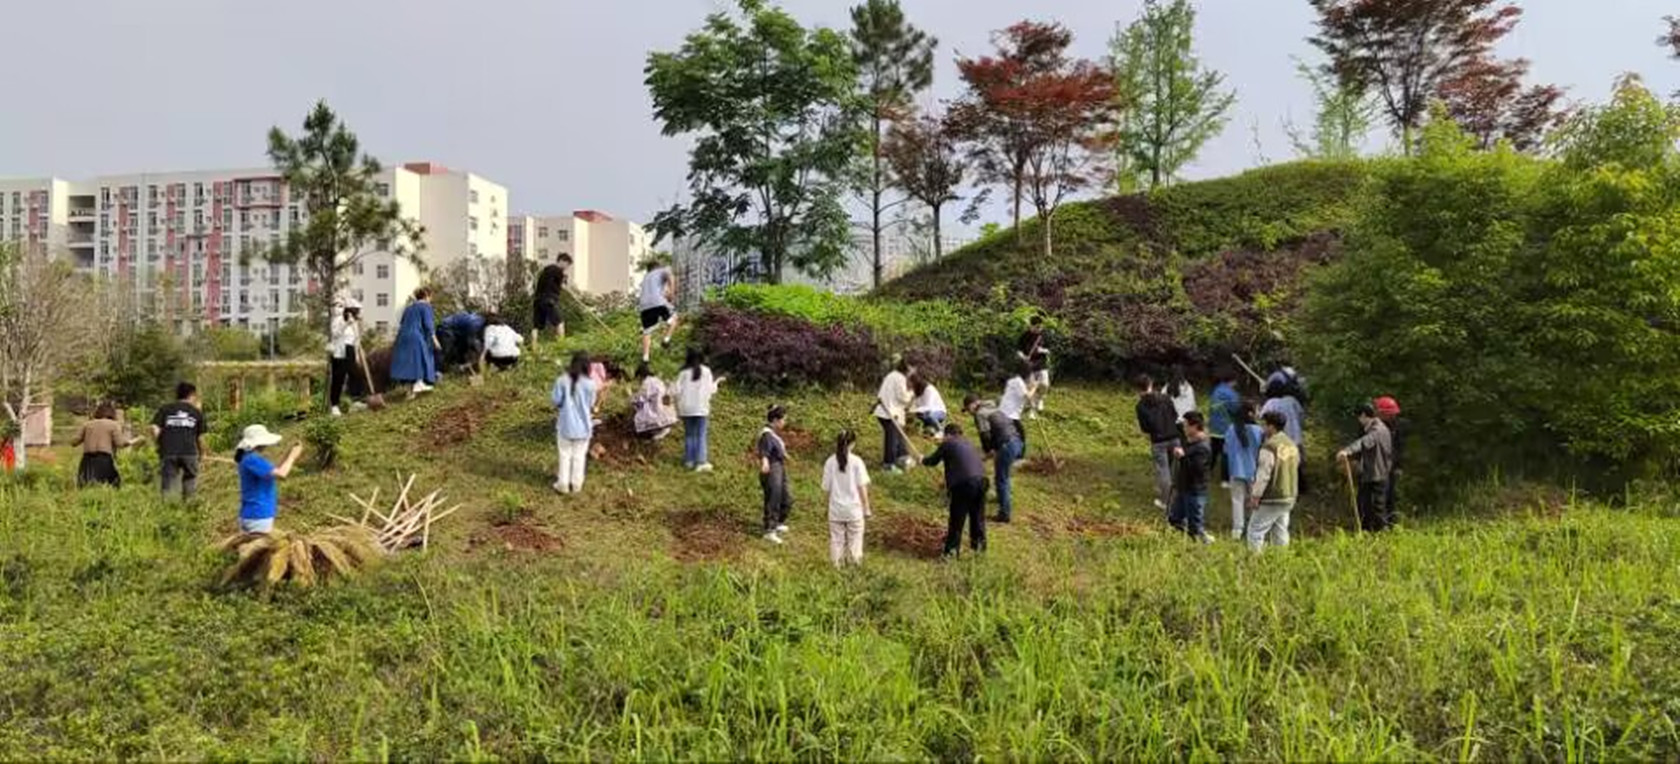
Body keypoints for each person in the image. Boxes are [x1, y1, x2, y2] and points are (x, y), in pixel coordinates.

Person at [923, 423, 988, 557]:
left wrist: (922, 459)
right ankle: (979, 547)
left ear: (947, 434)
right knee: (977, 516)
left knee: (957, 519)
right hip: (982, 481)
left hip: (964, 484)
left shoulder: (948, 443)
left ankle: (951, 552)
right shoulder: (969, 443)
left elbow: (932, 461)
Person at [1246, 410, 1300, 553]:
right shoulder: (1292, 445)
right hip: (1289, 494)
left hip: (1272, 495)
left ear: (1271, 426)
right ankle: (1281, 560)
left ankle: (1254, 561)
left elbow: (1264, 473)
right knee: (1280, 531)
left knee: (1255, 530)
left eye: (1264, 425)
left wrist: (1255, 495)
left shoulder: (1270, 446)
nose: (1262, 428)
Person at [234, 424, 303, 534]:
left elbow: (274, 470)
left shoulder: (248, 458)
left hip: (252, 514)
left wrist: (288, 453)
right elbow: (282, 474)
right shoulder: (253, 460)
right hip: (259, 515)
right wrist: (292, 457)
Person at [1338, 402, 1395, 532]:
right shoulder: (1378, 427)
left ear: (1364, 415)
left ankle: (1380, 533)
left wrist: (1347, 451)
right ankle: (1367, 530)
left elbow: (1365, 442)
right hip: (1373, 474)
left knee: (1377, 508)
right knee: (1364, 505)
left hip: (1377, 475)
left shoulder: (1377, 430)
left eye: (1359, 417)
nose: (1359, 421)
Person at [965, 394, 1023, 523]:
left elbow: (985, 435)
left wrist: (987, 452)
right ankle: (1002, 497)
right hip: (1017, 441)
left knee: (1001, 479)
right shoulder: (994, 407)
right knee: (1003, 475)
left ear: (973, 404)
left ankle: (1004, 514)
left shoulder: (979, 414)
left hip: (1006, 445)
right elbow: (1003, 428)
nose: (969, 412)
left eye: (968, 409)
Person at [821, 429, 872, 566]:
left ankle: (836, 565)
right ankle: (854, 565)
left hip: (836, 509)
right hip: (854, 509)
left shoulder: (830, 462)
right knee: (855, 539)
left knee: (836, 540)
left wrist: (827, 507)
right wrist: (866, 507)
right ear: (853, 443)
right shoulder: (857, 462)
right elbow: (862, 487)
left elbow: (827, 488)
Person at [551, 352, 599, 495]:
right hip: (583, 428)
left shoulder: (561, 380)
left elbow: (555, 400)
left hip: (565, 426)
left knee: (564, 455)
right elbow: (591, 404)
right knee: (579, 456)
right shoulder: (590, 384)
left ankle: (563, 484)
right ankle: (576, 484)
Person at [152, 382, 208, 501]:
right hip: (189, 451)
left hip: (168, 451)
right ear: (192, 395)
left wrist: (160, 442)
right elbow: (200, 437)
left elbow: (154, 428)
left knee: (168, 481)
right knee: (190, 479)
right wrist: (203, 454)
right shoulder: (196, 412)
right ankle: (189, 504)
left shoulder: (165, 409)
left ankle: (168, 507)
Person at [672, 349, 723, 472]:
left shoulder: (683, 372)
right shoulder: (706, 371)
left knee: (689, 434)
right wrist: (717, 382)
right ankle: (701, 462)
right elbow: (711, 390)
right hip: (701, 408)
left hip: (686, 408)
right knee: (701, 434)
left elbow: (676, 390)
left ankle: (689, 460)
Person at [1135, 375, 1180, 511]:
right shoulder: (1165, 398)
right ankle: (1179, 498)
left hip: (1158, 440)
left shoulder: (1140, 406)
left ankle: (1166, 501)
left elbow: (1145, 428)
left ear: (1137, 389)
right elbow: (1175, 415)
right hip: (1174, 436)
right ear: (1151, 384)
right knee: (1175, 469)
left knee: (1163, 470)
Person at [1169, 411, 1215, 543]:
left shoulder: (1202, 447)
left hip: (1195, 489)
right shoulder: (1190, 441)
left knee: (1195, 524)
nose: (1184, 428)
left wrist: (1182, 457)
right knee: (1174, 519)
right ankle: (1188, 538)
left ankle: (1203, 541)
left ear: (1194, 427)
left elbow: (1198, 470)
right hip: (1184, 486)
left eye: (1186, 425)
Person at [1223, 400, 1264, 540]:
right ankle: (1253, 527)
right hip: (1254, 471)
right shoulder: (1259, 431)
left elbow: (1226, 450)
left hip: (1236, 469)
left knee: (1237, 500)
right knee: (1254, 500)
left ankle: (1237, 530)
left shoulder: (1231, 429)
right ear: (1251, 413)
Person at [390, 288, 441, 397]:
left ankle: (410, 393)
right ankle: (419, 383)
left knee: (409, 363)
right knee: (420, 359)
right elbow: (428, 325)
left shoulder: (409, 308)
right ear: (426, 296)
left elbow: (402, 322)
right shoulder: (425, 307)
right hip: (415, 335)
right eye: (430, 297)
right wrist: (435, 340)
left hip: (402, 336)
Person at [74, 402, 138, 487]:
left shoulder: (87, 424)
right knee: (112, 484)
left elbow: (74, 442)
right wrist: (134, 441)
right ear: (112, 413)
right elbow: (120, 443)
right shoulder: (113, 425)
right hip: (103, 460)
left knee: (86, 485)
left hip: (87, 460)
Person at [1261, 379, 1308, 494]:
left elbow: (1263, 417)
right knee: (1296, 463)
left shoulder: (1271, 403)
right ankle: (1300, 487)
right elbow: (1301, 415)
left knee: (1280, 464)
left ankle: (1280, 486)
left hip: (1280, 438)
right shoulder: (1292, 401)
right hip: (1295, 437)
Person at [872, 358, 916, 473]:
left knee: (898, 435)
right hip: (888, 413)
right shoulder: (900, 378)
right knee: (892, 439)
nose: (914, 371)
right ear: (908, 368)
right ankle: (888, 465)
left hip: (886, 411)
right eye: (913, 368)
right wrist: (912, 393)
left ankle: (902, 457)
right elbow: (903, 398)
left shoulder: (892, 375)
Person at [758, 405, 793, 545]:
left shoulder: (773, 434)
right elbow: (764, 451)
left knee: (786, 497)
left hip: (780, 468)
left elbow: (777, 449)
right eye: (783, 419)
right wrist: (765, 463)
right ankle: (769, 530)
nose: (784, 422)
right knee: (773, 498)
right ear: (775, 420)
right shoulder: (766, 434)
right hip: (772, 469)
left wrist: (785, 456)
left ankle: (778, 522)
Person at [327, 299, 366, 417]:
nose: (337, 308)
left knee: (355, 374)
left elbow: (356, 338)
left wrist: (357, 354)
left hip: (350, 349)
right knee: (338, 377)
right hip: (339, 351)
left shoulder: (353, 321)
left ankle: (356, 400)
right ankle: (334, 405)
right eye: (335, 305)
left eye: (340, 305)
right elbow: (335, 334)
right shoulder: (337, 320)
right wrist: (346, 324)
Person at [638, 260, 680, 362]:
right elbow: (671, 276)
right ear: (657, 267)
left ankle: (645, 358)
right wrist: (671, 293)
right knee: (674, 318)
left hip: (644, 306)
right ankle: (666, 340)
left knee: (647, 331)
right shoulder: (661, 270)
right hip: (658, 302)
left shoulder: (646, 277)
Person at [1374, 396, 1410, 516]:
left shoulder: (1395, 426)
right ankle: (1374, 523)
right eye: (1389, 414)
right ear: (1380, 413)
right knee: (1375, 497)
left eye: (1393, 414)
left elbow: (1399, 447)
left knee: (1391, 496)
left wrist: (1399, 466)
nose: (1392, 416)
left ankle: (1390, 522)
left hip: (1390, 467)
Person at [1208, 370, 1241, 485]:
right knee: (1226, 454)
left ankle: (1206, 473)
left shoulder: (1216, 390)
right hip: (1226, 428)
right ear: (1233, 381)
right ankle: (1225, 480)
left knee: (1213, 452)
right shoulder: (1231, 394)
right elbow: (1236, 410)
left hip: (1214, 428)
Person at [997, 361, 1038, 452]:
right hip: (1009, 414)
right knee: (1020, 435)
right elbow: (1027, 396)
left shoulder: (1014, 381)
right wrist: (1034, 387)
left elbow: (1022, 398)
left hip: (1006, 412)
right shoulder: (1018, 382)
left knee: (1015, 435)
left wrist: (1031, 402)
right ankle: (1018, 455)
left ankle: (1015, 453)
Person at [532, 252, 572, 346]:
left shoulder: (545, 271)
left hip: (538, 300)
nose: (567, 267)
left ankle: (534, 347)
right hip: (549, 300)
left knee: (536, 326)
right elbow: (562, 285)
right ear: (562, 261)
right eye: (567, 264)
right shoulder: (558, 271)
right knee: (560, 323)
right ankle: (562, 346)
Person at [631, 362, 678, 440]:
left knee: (640, 413)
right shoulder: (657, 380)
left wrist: (632, 399)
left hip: (657, 410)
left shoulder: (647, 383)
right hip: (666, 410)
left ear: (641, 375)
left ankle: (656, 430)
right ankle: (661, 428)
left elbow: (641, 399)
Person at [1017, 315, 1051, 418]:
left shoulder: (1044, 335)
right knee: (1031, 387)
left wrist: (1043, 350)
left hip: (1041, 363)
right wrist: (1022, 357)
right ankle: (1032, 410)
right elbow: (1018, 350)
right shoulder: (1024, 336)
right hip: (1029, 365)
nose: (1039, 329)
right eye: (1036, 327)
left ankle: (1040, 399)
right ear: (1030, 326)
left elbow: (1049, 350)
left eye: (1040, 327)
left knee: (1045, 384)